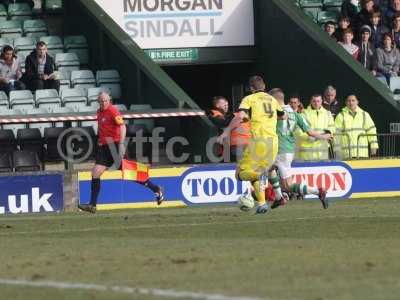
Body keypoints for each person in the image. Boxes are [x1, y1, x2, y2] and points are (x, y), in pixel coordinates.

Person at [78, 92, 164, 213]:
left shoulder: (113, 111)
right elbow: (103, 127)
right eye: (101, 101)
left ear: (110, 100)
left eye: (106, 101)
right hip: (104, 148)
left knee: (130, 173)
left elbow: (122, 127)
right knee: (95, 173)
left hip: (115, 146)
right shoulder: (99, 112)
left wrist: (121, 144)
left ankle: (156, 189)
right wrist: (100, 139)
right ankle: (92, 205)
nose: (104, 103)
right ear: (98, 101)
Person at [220, 76, 287, 214]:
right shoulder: (272, 99)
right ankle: (262, 203)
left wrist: (226, 131)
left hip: (258, 142)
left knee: (240, 174)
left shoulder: (249, 99)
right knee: (255, 172)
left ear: (251, 88)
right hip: (273, 143)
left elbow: (239, 116)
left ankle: (261, 177)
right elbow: (283, 116)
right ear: (264, 86)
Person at [269, 88, 330, 209]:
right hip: (288, 150)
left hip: (280, 150)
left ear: (274, 100)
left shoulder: (275, 112)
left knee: (284, 183)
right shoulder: (295, 114)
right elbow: (310, 132)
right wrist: (323, 136)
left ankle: (317, 192)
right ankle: (279, 197)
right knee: (273, 171)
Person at [334, 95, 379, 159]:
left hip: (362, 154)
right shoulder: (341, 115)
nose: (351, 103)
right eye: (349, 101)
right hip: (346, 154)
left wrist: (373, 148)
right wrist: (337, 150)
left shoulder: (364, 115)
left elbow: (372, 131)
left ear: (357, 102)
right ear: (346, 102)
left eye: (353, 100)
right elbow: (336, 134)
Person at [297, 94, 335, 161]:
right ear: (311, 101)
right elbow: (300, 132)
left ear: (321, 101)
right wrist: (319, 136)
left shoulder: (327, 113)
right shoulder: (304, 114)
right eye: (314, 101)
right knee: (308, 171)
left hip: (322, 149)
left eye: (318, 101)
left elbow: (332, 129)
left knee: (323, 171)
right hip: (308, 150)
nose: (316, 103)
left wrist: (322, 135)